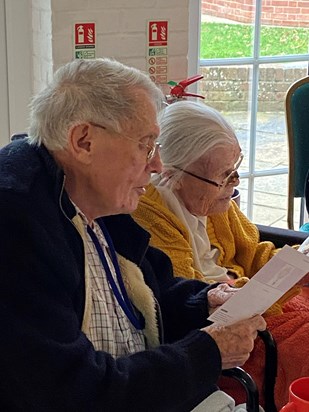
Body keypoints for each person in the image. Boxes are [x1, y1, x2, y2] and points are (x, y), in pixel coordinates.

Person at [0, 58, 266, 412]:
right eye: (146, 145)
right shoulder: (16, 224)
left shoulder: (93, 197)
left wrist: (205, 301)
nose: (157, 164)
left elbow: (154, 289)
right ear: (84, 141)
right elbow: (74, 392)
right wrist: (207, 353)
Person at [132, 100, 309, 409]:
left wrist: (299, 261)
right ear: (172, 174)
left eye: (236, 170)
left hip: (263, 302)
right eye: (225, 175)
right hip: (233, 330)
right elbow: (195, 301)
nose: (235, 182)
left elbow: (254, 253)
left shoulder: (213, 198)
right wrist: (279, 284)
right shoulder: (149, 216)